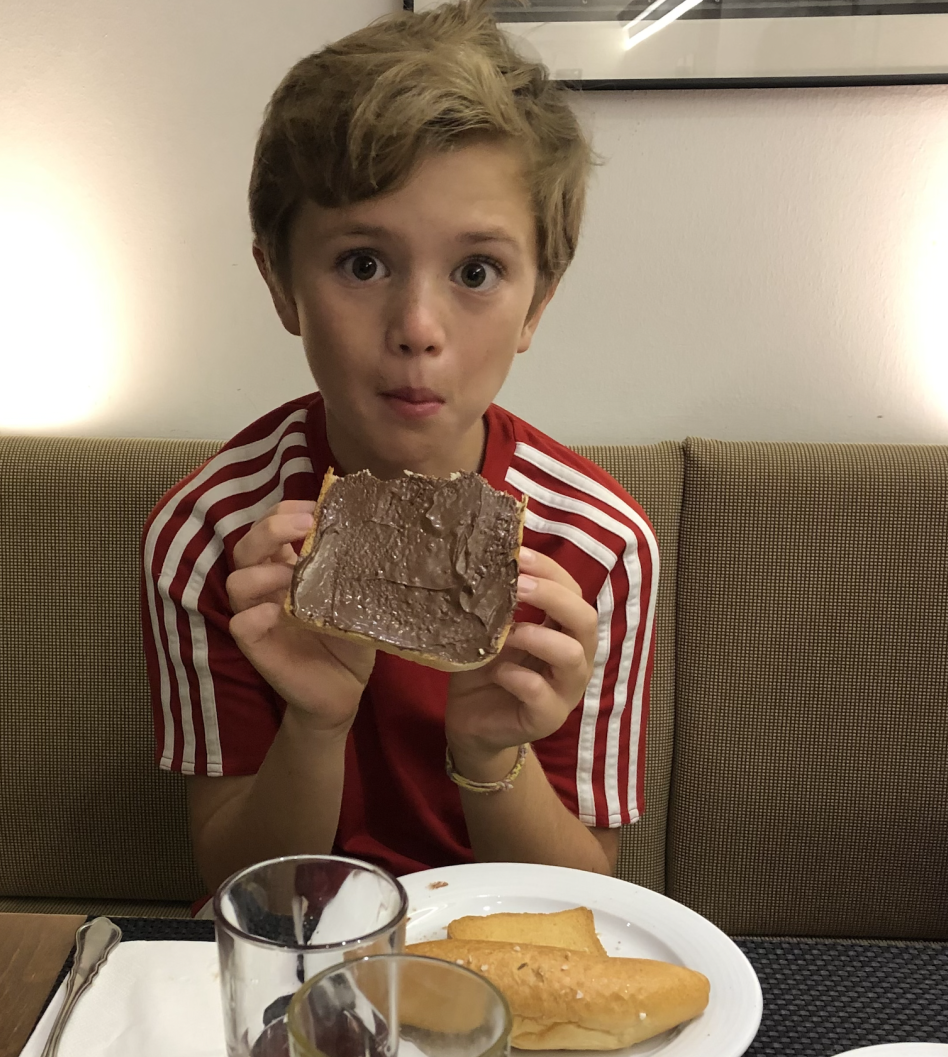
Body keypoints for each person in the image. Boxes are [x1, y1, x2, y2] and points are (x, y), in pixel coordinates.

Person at [140, 0, 659, 896]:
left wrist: (490, 750)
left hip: (502, 955)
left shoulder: (595, 549)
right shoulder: (215, 535)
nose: (418, 329)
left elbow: (591, 890)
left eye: (476, 272)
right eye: (363, 264)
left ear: (538, 301)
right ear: (281, 282)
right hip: (299, 953)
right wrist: (315, 721)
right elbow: (237, 885)